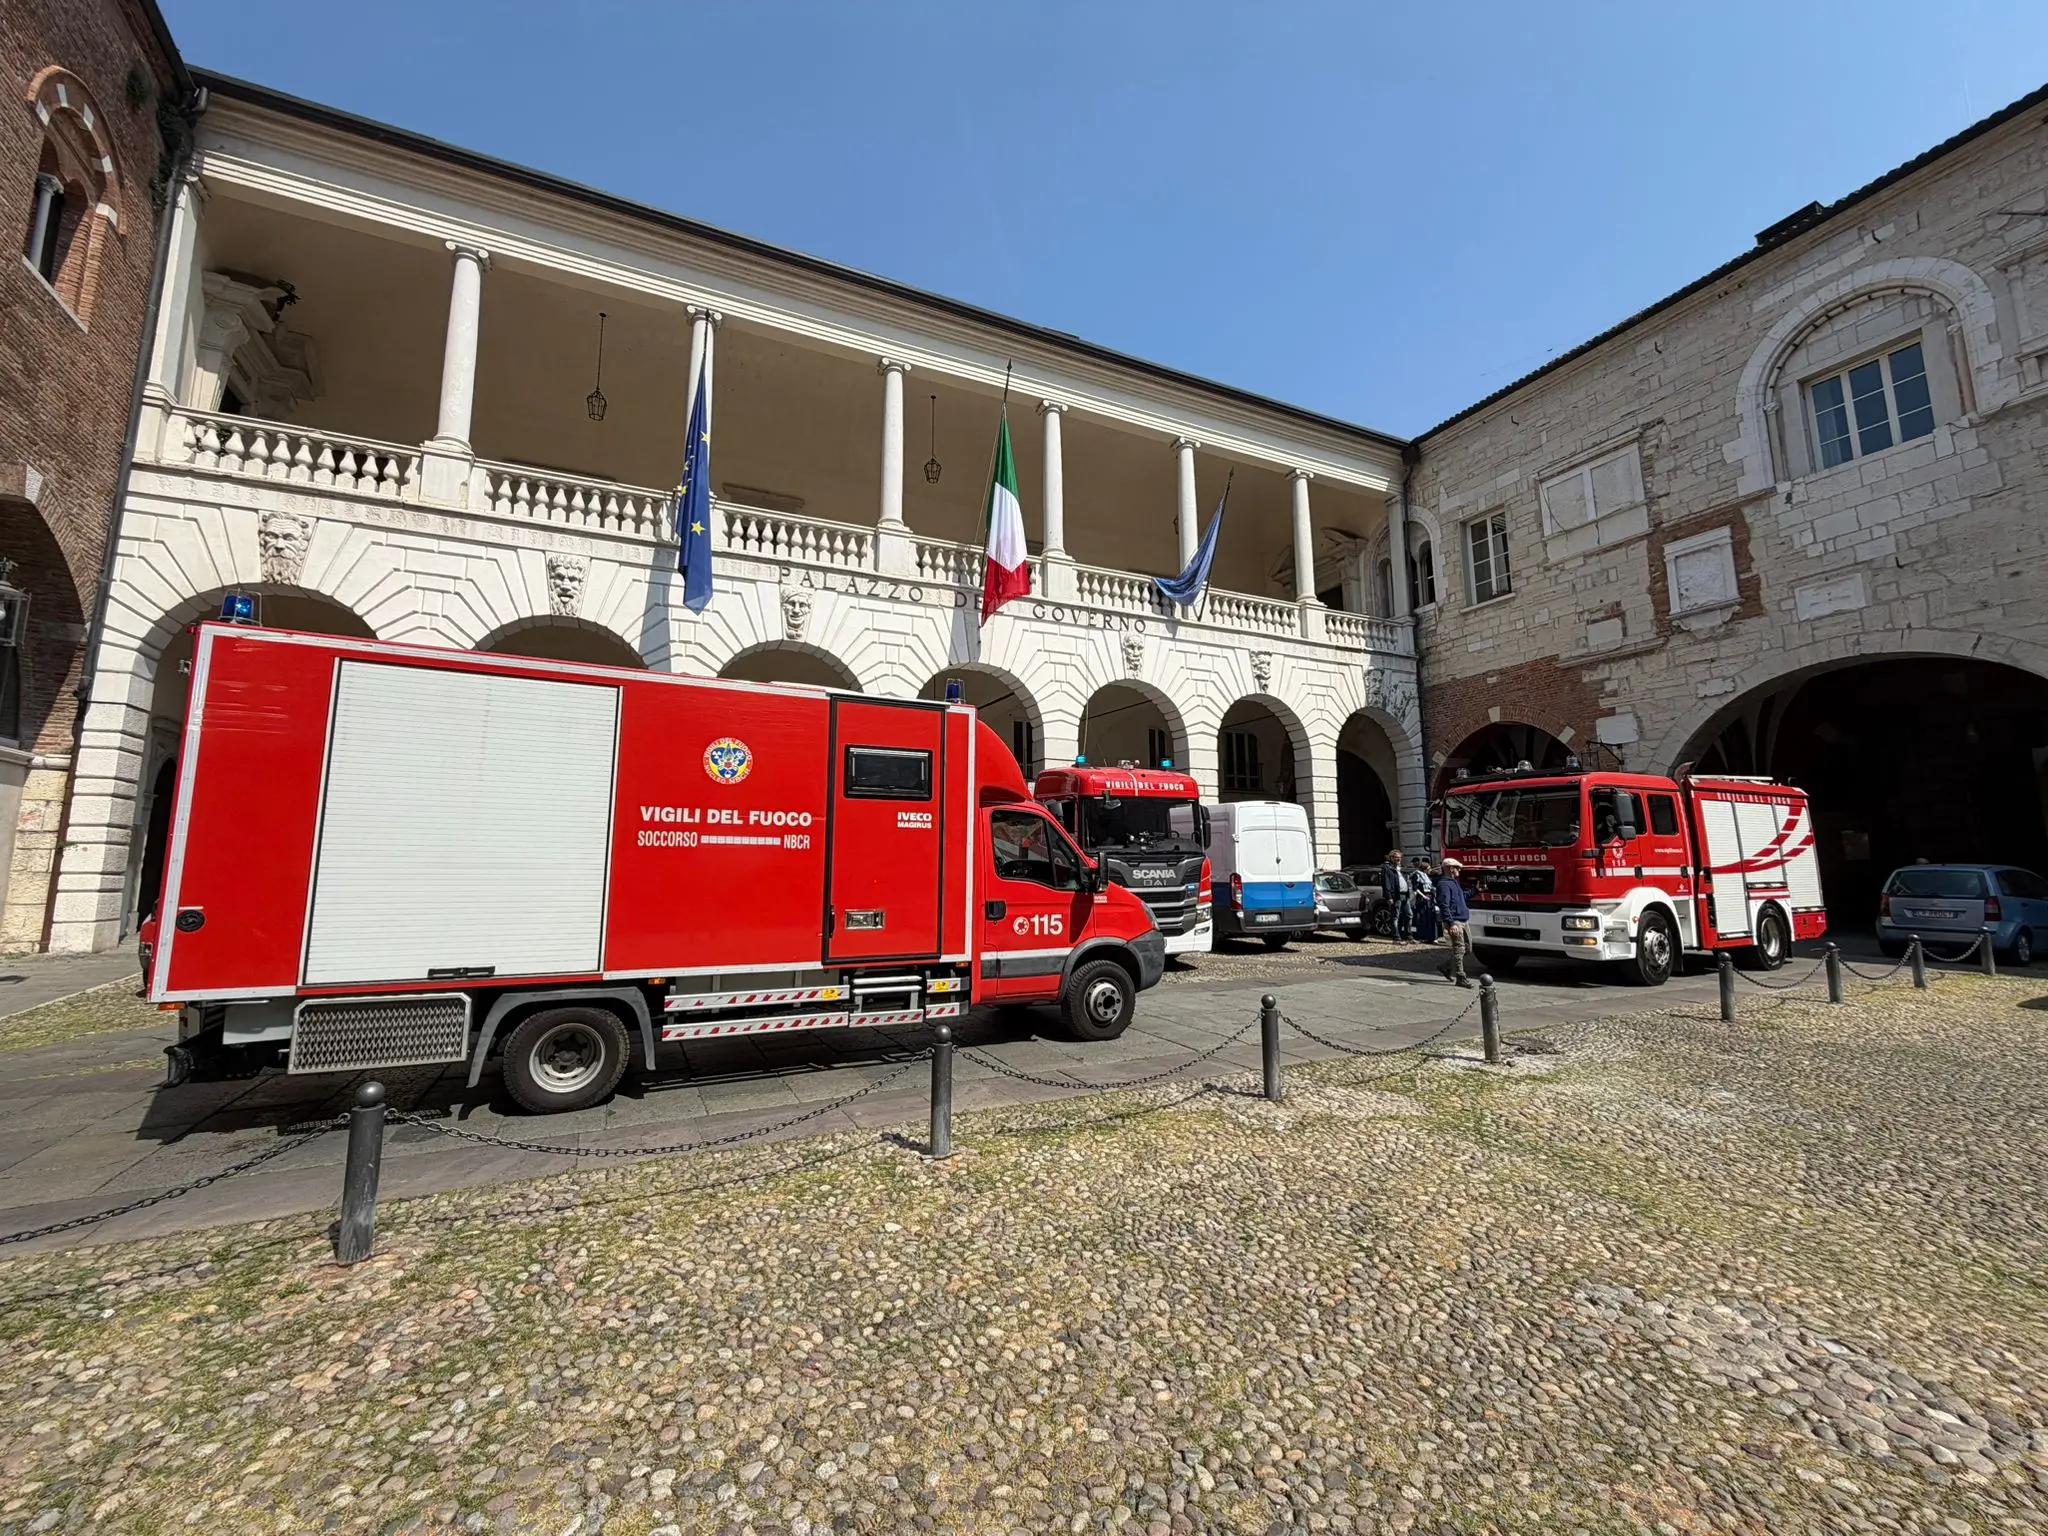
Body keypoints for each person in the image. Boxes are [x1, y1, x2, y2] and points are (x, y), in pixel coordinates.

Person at [1436, 856, 1472, 987]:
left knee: (1467, 948)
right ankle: (1461, 977)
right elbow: (1443, 905)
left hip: (1463, 919)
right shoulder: (1444, 884)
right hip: (1455, 921)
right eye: (1457, 868)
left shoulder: (1454, 882)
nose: (1459, 871)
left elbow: (1462, 897)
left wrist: (1476, 890)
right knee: (1459, 948)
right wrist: (1451, 923)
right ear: (1450, 869)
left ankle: (1446, 966)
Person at [1378, 850, 1413, 941]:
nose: (1399, 859)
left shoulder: (1401, 868)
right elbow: (1386, 883)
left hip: (1405, 895)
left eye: (1400, 857)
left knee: (1409, 915)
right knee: (1395, 916)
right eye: (1396, 857)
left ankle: (1408, 935)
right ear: (1391, 858)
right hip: (1395, 895)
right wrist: (1389, 897)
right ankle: (1396, 937)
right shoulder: (1387, 868)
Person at [1411, 857, 1439, 943]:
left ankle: (1432, 936)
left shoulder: (1426, 875)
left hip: (1430, 897)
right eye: (1428, 869)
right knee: (1423, 918)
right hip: (1422, 898)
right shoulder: (1417, 875)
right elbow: (1415, 888)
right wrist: (1423, 896)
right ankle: (1423, 936)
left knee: (1431, 918)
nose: (1429, 870)